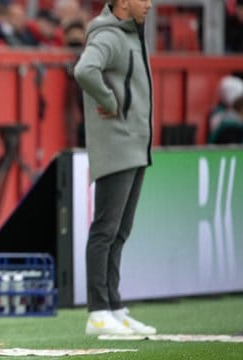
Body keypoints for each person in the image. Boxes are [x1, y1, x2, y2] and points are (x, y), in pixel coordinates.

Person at [74, 0, 157, 336]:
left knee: (120, 232)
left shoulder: (132, 35)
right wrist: (109, 101)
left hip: (136, 146)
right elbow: (84, 70)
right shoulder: (108, 36)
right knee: (105, 230)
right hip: (117, 145)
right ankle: (97, 312)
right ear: (123, 1)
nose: (150, 4)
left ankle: (113, 305)